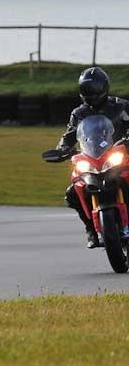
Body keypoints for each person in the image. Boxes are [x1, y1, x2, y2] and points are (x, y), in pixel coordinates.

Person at [57, 67, 129, 248]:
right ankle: (90, 229)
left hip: (119, 154)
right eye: (86, 92)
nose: (91, 95)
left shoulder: (121, 106)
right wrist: (63, 149)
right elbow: (69, 136)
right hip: (92, 158)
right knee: (72, 192)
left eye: (94, 91)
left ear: (104, 88)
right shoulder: (79, 113)